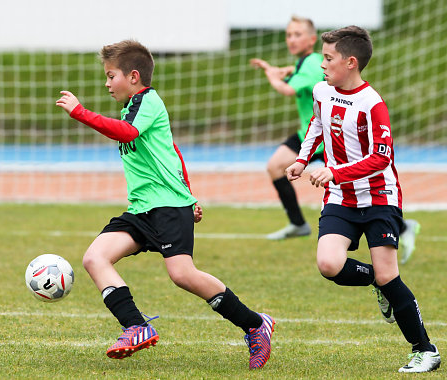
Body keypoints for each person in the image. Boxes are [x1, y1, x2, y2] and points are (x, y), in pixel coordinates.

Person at [55, 40, 274, 370]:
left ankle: (255, 324)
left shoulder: (149, 101)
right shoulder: (132, 106)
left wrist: (80, 112)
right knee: (94, 257)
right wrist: (192, 193)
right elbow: (172, 151)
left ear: (132, 76)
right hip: (142, 208)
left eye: (110, 75)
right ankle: (136, 326)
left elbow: (126, 134)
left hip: (168, 206)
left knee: (182, 274)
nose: (106, 82)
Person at [286, 26, 440, 373]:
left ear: (351, 62)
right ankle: (378, 284)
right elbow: (317, 125)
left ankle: (425, 350)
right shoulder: (322, 91)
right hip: (340, 197)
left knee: (390, 274)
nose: (322, 65)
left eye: (328, 58)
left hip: (378, 198)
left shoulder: (373, 104)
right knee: (329, 264)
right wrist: (301, 159)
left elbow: (381, 158)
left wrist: (335, 172)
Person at [250, 16, 325, 240]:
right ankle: (298, 224)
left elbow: (287, 89)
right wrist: (283, 70)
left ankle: (400, 227)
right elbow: (300, 74)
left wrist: (273, 76)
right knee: (275, 166)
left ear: (312, 39)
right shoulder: (310, 62)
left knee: (355, 187)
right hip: (310, 135)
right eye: (288, 35)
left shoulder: (310, 63)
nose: (291, 39)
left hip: (326, 137)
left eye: (297, 34)